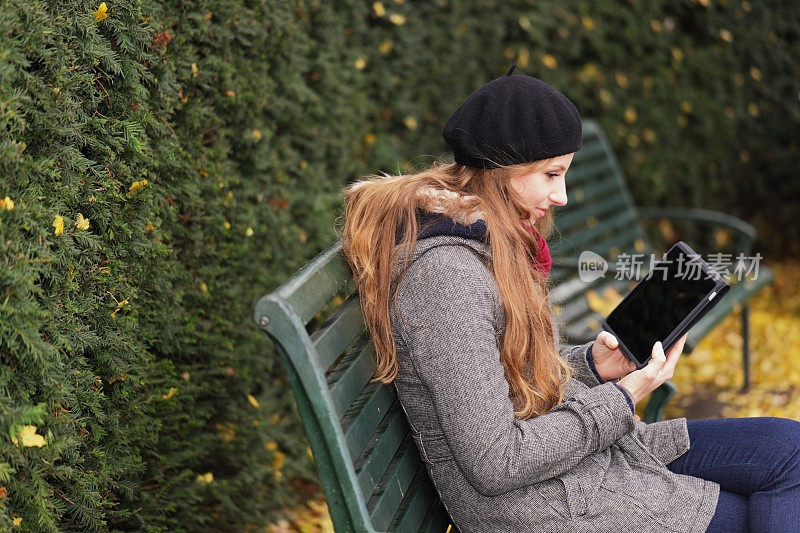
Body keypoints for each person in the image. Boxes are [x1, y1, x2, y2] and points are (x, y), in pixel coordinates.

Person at [339, 63, 800, 532]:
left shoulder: (489, 242)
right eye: (551, 174)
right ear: (502, 170)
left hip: (576, 469)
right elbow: (497, 462)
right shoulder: (445, 279)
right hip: (543, 507)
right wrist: (622, 399)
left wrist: (594, 366)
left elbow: (505, 382)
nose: (561, 195)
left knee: (791, 448)